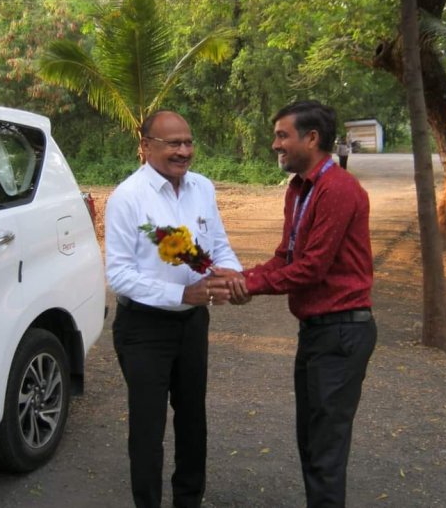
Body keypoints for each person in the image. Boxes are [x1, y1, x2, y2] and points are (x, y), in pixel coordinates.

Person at [224, 100, 377, 507]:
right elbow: (286, 256)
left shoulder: (338, 188)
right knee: (310, 440)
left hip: (342, 332)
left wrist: (249, 288)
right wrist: (241, 278)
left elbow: (311, 269)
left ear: (311, 138)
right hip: (316, 333)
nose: (275, 144)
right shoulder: (298, 189)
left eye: (282, 135)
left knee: (325, 449)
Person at [105, 110, 241, 508]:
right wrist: (181, 295)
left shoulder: (202, 188)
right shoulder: (127, 198)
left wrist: (232, 272)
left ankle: (188, 499)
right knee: (148, 427)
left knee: (192, 418)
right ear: (146, 147)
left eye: (188, 142)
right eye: (173, 144)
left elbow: (218, 245)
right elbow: (119, 275)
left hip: (193, 325)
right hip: (144, 327)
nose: (184, 151)